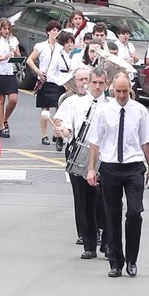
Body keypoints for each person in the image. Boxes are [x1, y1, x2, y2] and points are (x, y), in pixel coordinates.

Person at [86, 73, 149, 278]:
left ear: (130, 89)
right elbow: (95, 142)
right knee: (112, 215)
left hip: (134, 166)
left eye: (125, 91)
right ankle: (116, 261)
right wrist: (92, 168)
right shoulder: (104, 112)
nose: (122, 95)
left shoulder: (140, 111)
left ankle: (132, 259)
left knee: (134, 213)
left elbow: (146, 142)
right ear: (111, 89)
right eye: (118, 91)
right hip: (110, 167)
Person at [54, 66, 110, 258]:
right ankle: (89, 244)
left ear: (106, 84)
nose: (96, 86)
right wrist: (63, 132)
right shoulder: (75, 103)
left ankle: (106, 238)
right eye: (93, 82)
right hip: (79, 153)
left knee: (104, 199)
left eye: (100, 83)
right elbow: (68, 126)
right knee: (83, 200)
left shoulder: (110, 105)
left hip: (104, 157)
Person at [27, 20, 67, 149]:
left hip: (57, 81)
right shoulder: (41, 46)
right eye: (53, 30)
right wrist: (38, 71)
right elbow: (30, 60)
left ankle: (57, 132)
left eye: (57, 30)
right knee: (45, 110)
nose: (55, 33)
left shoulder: (62, 48)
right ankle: (44, 135)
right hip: (44, 80)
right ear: (48, 32)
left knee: (59, 109)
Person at [0, 18, 21, 138]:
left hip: (10, 72)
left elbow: (18, 55)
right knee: (0, 100)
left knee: (13, 99)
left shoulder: (13, 40)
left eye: (8, 28)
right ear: (0, 29)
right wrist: (3, 57)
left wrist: (16, 54)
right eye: (4, 28)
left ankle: (5, 119)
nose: (6, 31)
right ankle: (2, 127)